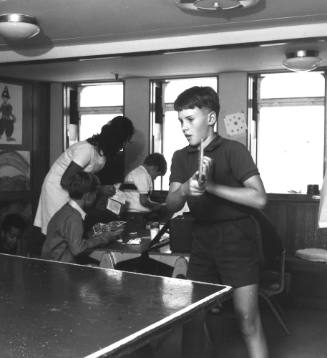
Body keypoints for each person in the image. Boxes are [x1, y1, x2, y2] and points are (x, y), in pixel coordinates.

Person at [166, 86, 268, 358]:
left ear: (210, 118)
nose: (184, 127)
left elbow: (259, 198)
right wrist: (186, 188)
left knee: (247, 320)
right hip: (201, 237)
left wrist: (210, 186)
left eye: (190, 120)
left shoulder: (234, 150)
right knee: (192, 318)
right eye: (180, 121)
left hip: (237, 237)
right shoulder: (180, 156)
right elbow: (171, 203)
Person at [34, 115, 134, 235]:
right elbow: (65, 181)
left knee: (70, 228)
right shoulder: (86, 150)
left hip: (73, 187)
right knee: (58, 230)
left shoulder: (101, 152)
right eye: (124, 142)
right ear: (116, 139)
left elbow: (85, 177)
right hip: (58, 189)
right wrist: (99, 189)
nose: (123, 146)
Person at [41, 172, 124, 263]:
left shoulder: (66, 210)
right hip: (60, 267)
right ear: (88, 196)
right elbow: (78, 249)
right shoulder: (74, 217)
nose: (96, 197)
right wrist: (105, 237)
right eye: (95, 194)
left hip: (53, 263)